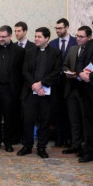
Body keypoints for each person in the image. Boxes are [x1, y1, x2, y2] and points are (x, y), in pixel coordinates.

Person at [17, 27, 61, 159]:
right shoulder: (29, 52)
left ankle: (41, 147)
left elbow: (56, 71)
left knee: (44, 122)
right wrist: (35, 86)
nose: (36, 39)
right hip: (31, 92)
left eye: (39, 37)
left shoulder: (55, 53)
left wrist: (42, 84)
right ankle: (27, 146)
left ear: (46, 38)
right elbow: (25, 71)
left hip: (46, 93)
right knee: (28, 121)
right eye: (35, 36)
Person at [0, 25, 25, 152]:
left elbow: (20, 72)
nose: (0, 39)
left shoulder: (19, 51)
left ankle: (8, 142)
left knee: (9, 117)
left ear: (10, 36)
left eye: (3, 37)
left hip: (9, 89)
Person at [62, 26, 92, 155]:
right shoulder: (73, 49)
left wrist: (81, 75)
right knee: (74, 119)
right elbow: (65, 65)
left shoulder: (90, 49)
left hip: (86, 90)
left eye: (81, 36)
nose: (78, 39)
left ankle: (87, 147)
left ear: (89, 37)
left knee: (87, 120)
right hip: (71, 88)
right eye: (77, 36)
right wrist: (69, 72)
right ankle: (76, 145)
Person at [49, 18, 77, 147]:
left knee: (70, 112)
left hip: (71, 83)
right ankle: (59, 138)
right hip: (55, 83)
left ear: (66, 27)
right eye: (56, 28)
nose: (58, 31)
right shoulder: (53, 43)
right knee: (57, 111)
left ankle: (70, 138)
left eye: (60, 28)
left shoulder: (75, 42)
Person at [76, 34, 93, 162]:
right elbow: (80, 60)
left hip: (90, 81)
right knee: (88, 121)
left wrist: (90, 77)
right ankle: (89, 150)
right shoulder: (90, 44)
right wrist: (81, 73)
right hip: (88, 90)